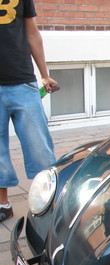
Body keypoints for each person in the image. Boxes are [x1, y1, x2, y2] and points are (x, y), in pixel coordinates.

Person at [0, 0, 58, 221]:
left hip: (22, 82)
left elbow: (32, 33)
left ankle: (47, 202)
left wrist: (44, 75)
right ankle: (3, 204)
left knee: (39, 147)